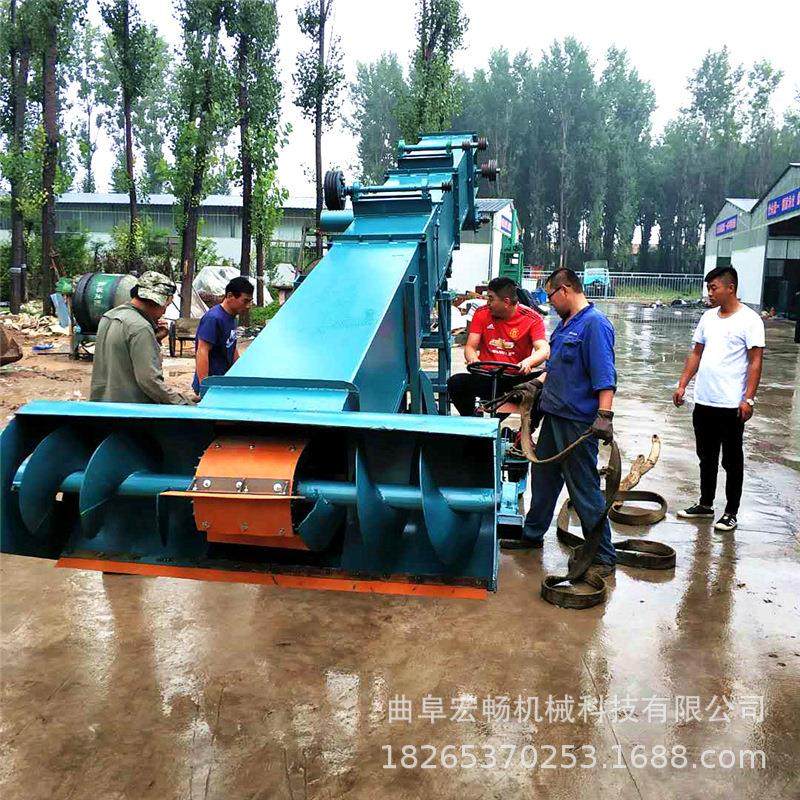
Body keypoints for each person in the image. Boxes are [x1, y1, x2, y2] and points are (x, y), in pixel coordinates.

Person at [508, 268, 617, 581]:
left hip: (578, 425)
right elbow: (555, 368)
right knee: (542, 481)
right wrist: (534, 384)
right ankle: (532, 535)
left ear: (565, 289)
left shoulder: (594, 325)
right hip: (554, 417)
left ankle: (603, 555)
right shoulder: (565, 324)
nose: (551, 303)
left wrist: (604, 416)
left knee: (584, 491)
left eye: (552, 296)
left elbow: (605, 376)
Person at [672, 265, 765, 532]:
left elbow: (756, 362)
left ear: (730, 288)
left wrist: (749, 399)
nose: (709, 293)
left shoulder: (750, 320)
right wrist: (682, 385)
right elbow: (696, 354)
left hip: (730, 405)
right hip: (704, 401)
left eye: (713, 288)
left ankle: (731, 512)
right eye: (708, 288)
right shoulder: (708, 318)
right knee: (706, 456)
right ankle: (705, 504)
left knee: (732, 460)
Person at [448, 276, 549, 416]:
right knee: (456, 382)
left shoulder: (532, 319)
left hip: (514, 380)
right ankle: (472, 421)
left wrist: (528, 362)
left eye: (491, 298)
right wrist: (473, 359)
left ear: (506, 302)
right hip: (486, 376)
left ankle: (525, 430)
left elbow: (543, 349)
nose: (487, 303)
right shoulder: (481, 313)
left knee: (548, 382)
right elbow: (471, 346)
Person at [90, 271, 195, 405]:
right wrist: (182, 401)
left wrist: (155, 339)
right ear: (156, 301)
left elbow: (123, 357)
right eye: (166, 306)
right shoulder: (141, 327)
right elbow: (149, 381)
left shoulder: (109, 317)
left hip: (103, 408)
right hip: (130, 412)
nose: (164, 312)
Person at [192, 276, 254, 394]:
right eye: (245, 301)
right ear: (230, 296)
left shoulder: (232, 318)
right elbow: (202, 351)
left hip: (222, 382)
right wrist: (204, 387)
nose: (248, 306)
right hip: (212, 385)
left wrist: (239, 373)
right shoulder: (213, 318)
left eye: (249, 301)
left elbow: (231, 346)